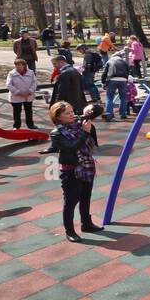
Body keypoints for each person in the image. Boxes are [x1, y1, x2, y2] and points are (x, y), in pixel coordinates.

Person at [49, 100, 102, 242]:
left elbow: (98, 110)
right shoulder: (57, 133)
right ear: (58, 116)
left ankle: (87, 223)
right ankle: (70, 230)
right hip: (71, 170)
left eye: (72, 111)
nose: (72, 114)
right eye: (68, 113)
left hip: (86, 166)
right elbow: (72, 147)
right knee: (71, 201)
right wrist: (85, 133)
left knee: (86, 196)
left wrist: (90, 110)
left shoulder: (79, 122)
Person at [6, 58, 38, 130]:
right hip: (16, 97)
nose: (17, 67)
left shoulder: (31, 72)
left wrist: (30, 91)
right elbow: (9, 84)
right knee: (17, 111)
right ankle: (16, 126)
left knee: (29, 110)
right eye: (16, 65)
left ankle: (30, 124)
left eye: (19, 65)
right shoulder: (11, 73)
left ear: (24, 65)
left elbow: (34, 83)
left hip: (28, 96)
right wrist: (18, 92)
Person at [102, 49, 131, 121]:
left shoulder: (109, 61)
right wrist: (126, 80)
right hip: (123, 80)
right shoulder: (124, 62)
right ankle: (123, 114)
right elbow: (128, 72)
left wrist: (103, 82)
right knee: (123, 98)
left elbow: (104, 73)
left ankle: (109, 115)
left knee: (110, 97)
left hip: (112, 79)